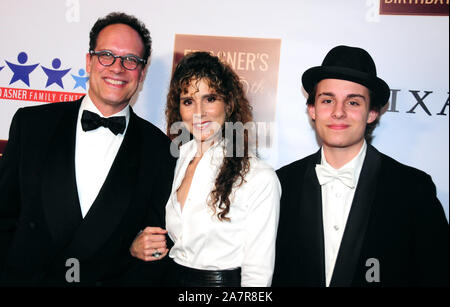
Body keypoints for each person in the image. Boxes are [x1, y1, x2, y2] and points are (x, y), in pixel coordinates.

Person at [0, 12, 175, 286]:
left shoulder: (160, 150)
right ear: (88, 61)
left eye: (130, 60)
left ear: (142, 73)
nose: (117, 67)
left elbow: (153, 251)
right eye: (106, 55)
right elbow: (4, 216)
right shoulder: (32, 125)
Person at [272, 45, 449, 287]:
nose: (338, 112)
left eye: (353, 103)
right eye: (327, 100)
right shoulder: (280, 184)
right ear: (312, 109)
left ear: (372, 112)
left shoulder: (413, 189)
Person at [130, 51, 281, 287]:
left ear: (228, 103)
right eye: (188, 101)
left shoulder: (258, 177)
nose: (199, 112)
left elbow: (258, 274)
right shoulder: (176, 159)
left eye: (210, 98)